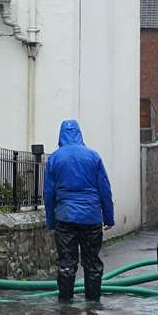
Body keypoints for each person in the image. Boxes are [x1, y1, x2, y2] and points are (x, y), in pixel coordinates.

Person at [42, 119, 115, 302]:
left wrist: (51, 220)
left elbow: (48, 193)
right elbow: (104, 189)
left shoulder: (55, 158)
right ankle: (92, 303)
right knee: (92, 262)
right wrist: (109, 217)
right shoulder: (93, 156)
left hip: (65, 218)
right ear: (79, 133)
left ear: (61, 135)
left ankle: (65, 303)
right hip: (91, 218)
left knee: (67, 262)